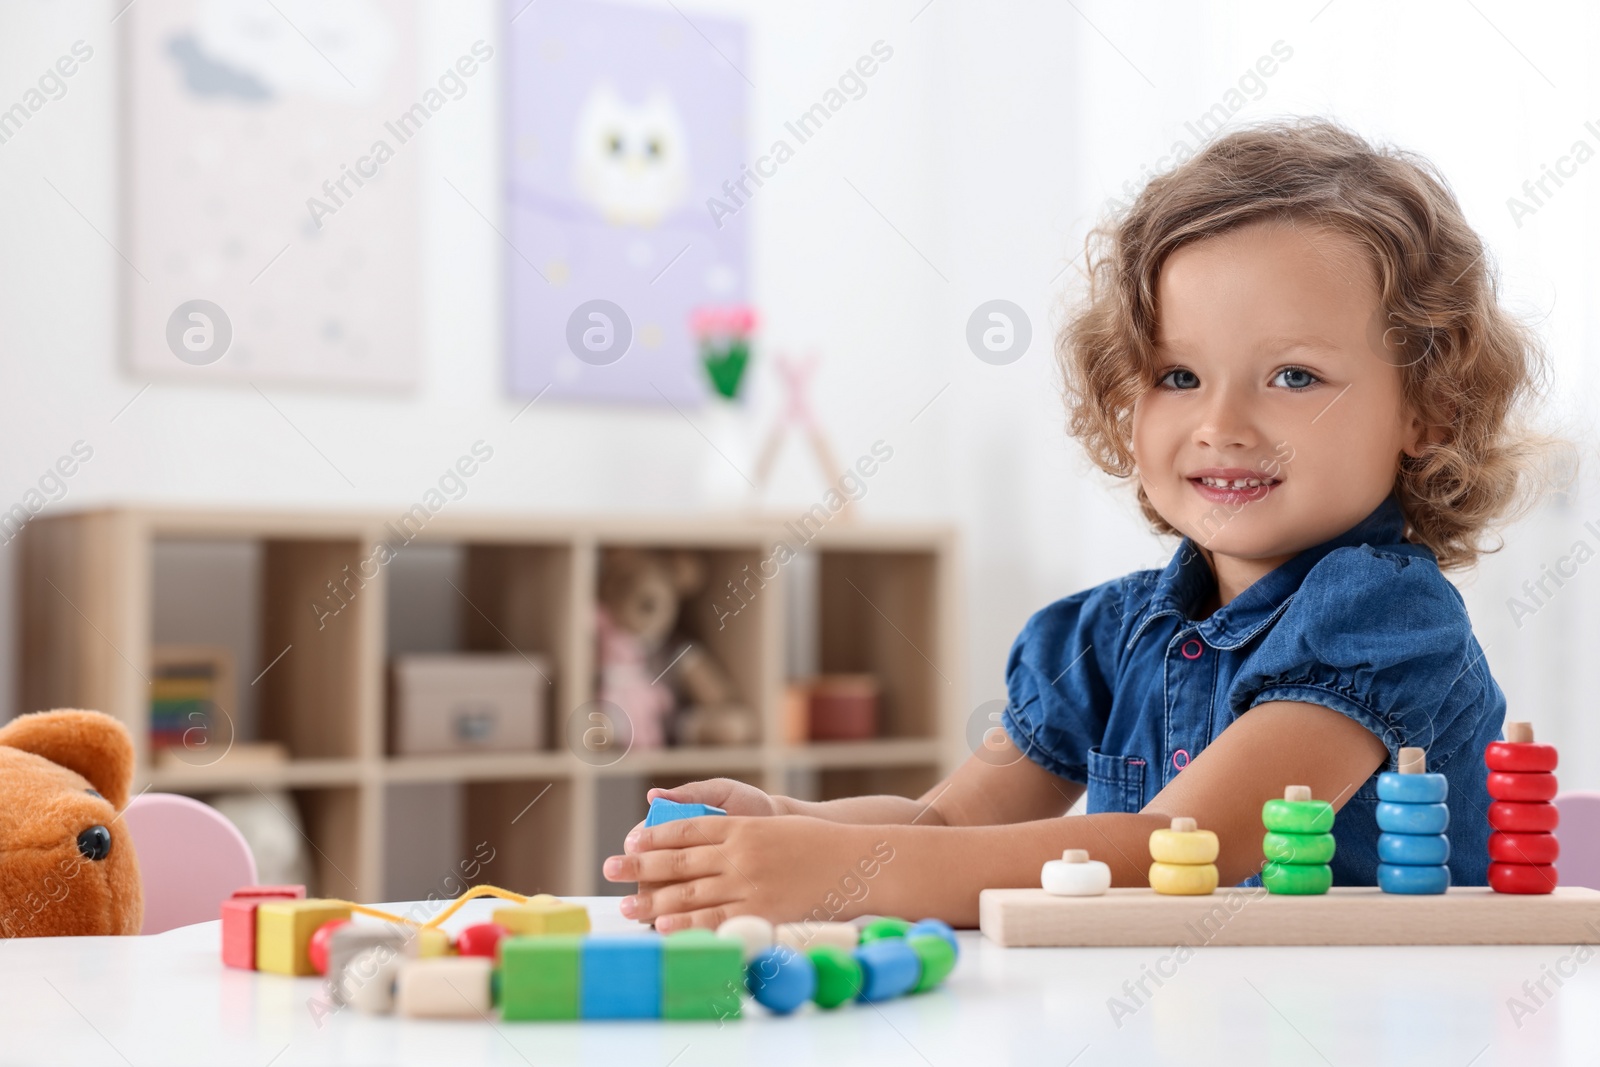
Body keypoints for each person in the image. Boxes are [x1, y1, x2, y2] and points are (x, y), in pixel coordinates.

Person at [603, 118, 1569, 930]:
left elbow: (1178, 853)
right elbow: (946, 829)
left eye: (1293, 376)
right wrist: (786, 823)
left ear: (1426, 411)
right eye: (1177, 375)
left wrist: (836, 878)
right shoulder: (1100, 638)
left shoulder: (1383, 616)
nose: (1220, 424)